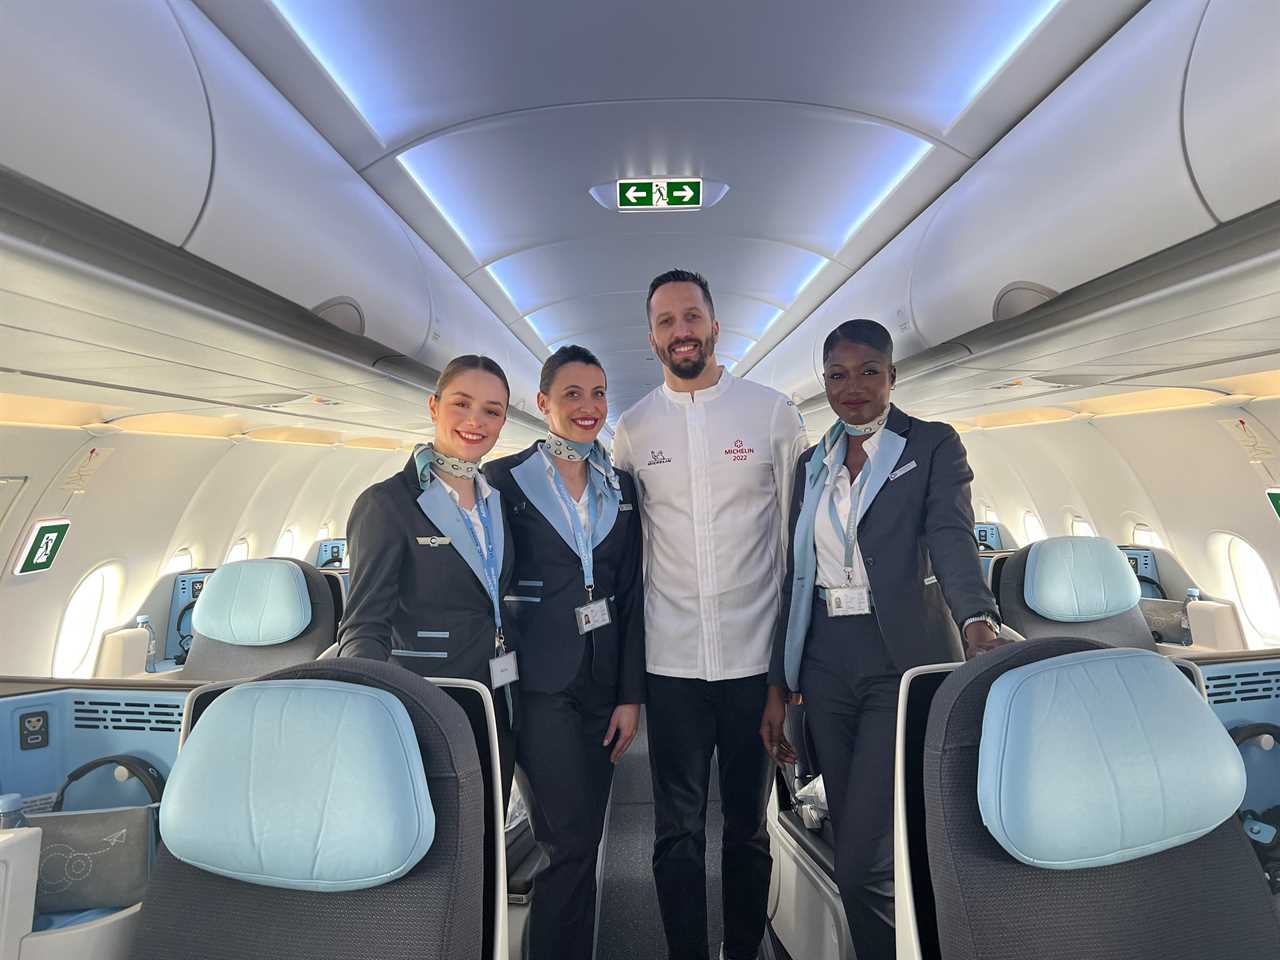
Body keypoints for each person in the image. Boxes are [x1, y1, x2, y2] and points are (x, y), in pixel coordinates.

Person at [759, 319, 1003, 960]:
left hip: (901, 658)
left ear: (892, 376)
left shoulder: (930, 445)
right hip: (823, 659)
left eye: (869, 371)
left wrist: (976, 618)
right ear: (825, 383)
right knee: (853, 832)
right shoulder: (813, 462)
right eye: (838, 375)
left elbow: (951, 536)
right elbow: (795, 572)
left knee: (865, 853)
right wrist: (778, 686)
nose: (854, 387)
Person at [612, 269, 808, 960]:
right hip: (671, 666)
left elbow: (795, 546)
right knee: (676, 832)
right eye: (666, 322)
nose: (681, 331)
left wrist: (790, 667)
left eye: (691, 316)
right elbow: (628, 560)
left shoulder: (772, 413)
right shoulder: (632, 431)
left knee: (749, 829)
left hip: (756, 664)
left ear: (716, 325)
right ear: (652, 338)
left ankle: (744, 949)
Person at [337, 354, 519, 957]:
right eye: (462, 404)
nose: (476, 421)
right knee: (437, 864)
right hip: (428, 710)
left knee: (486, 847)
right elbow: (364, 626)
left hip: (493, 705)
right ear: (434, 407)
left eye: (491, 411)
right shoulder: (386, 504)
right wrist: (375, 719)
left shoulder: (493, 499)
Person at [486, 344, 645, 960]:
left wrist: (630, 695)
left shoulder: (621, 486)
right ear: (543, 403)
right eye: (572, 395)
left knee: (586, 838)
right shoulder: (502, 482)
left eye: (599, 393)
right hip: (539, 684)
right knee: (569, 841)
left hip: (602, 686)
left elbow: (629, 595)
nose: (588, 407)